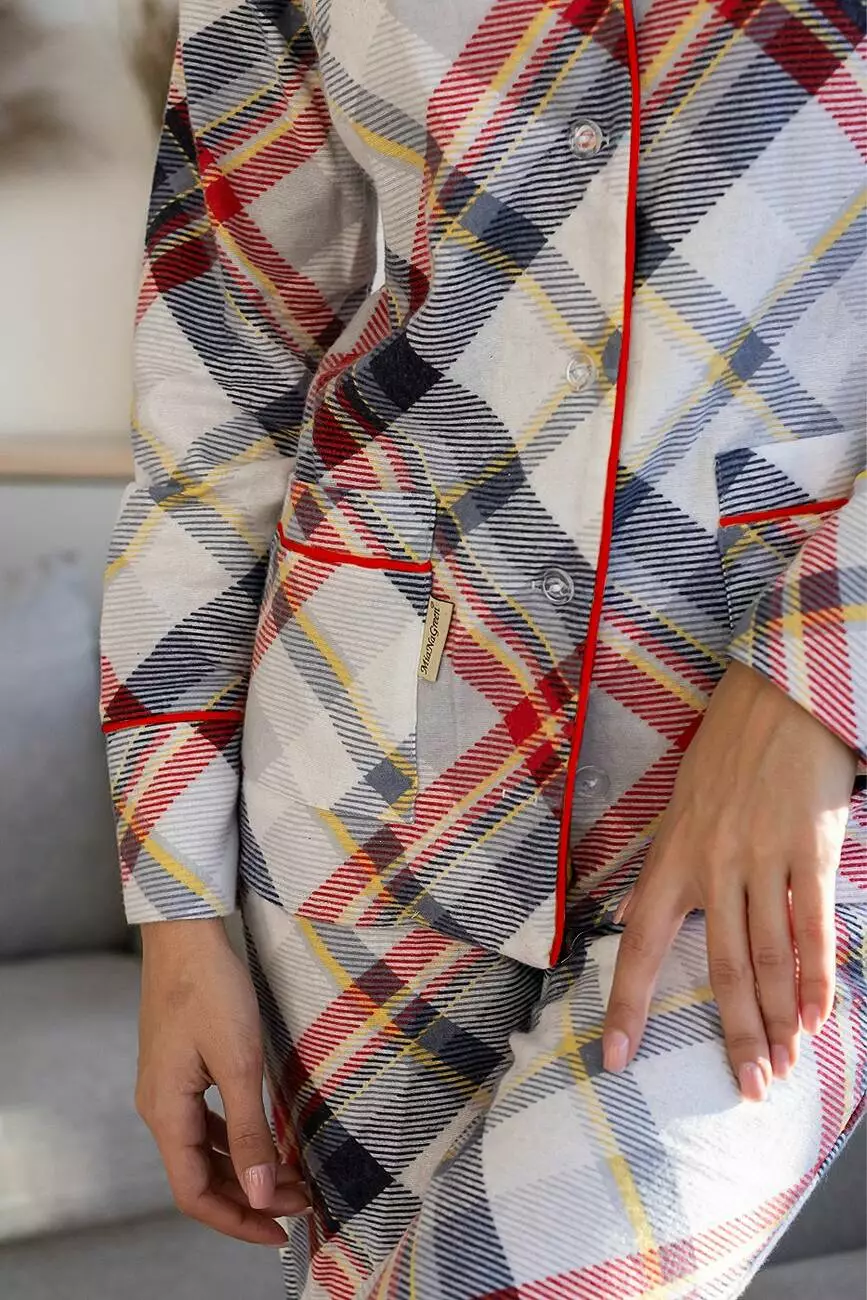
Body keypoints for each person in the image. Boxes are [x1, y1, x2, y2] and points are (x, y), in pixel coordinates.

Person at [98, 1, 867, 1296]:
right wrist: (175, 901)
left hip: (793, 784)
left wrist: (818, 684)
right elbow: (215, 391)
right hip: (359, 759)